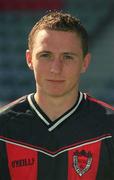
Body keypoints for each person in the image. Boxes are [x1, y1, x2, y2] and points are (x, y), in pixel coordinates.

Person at [0, 11, 114, 180]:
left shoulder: (109, 126)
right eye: (45, 55)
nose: (56, 68)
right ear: (29, 59)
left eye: (67, 57)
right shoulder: (3, 128)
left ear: (85, 63)